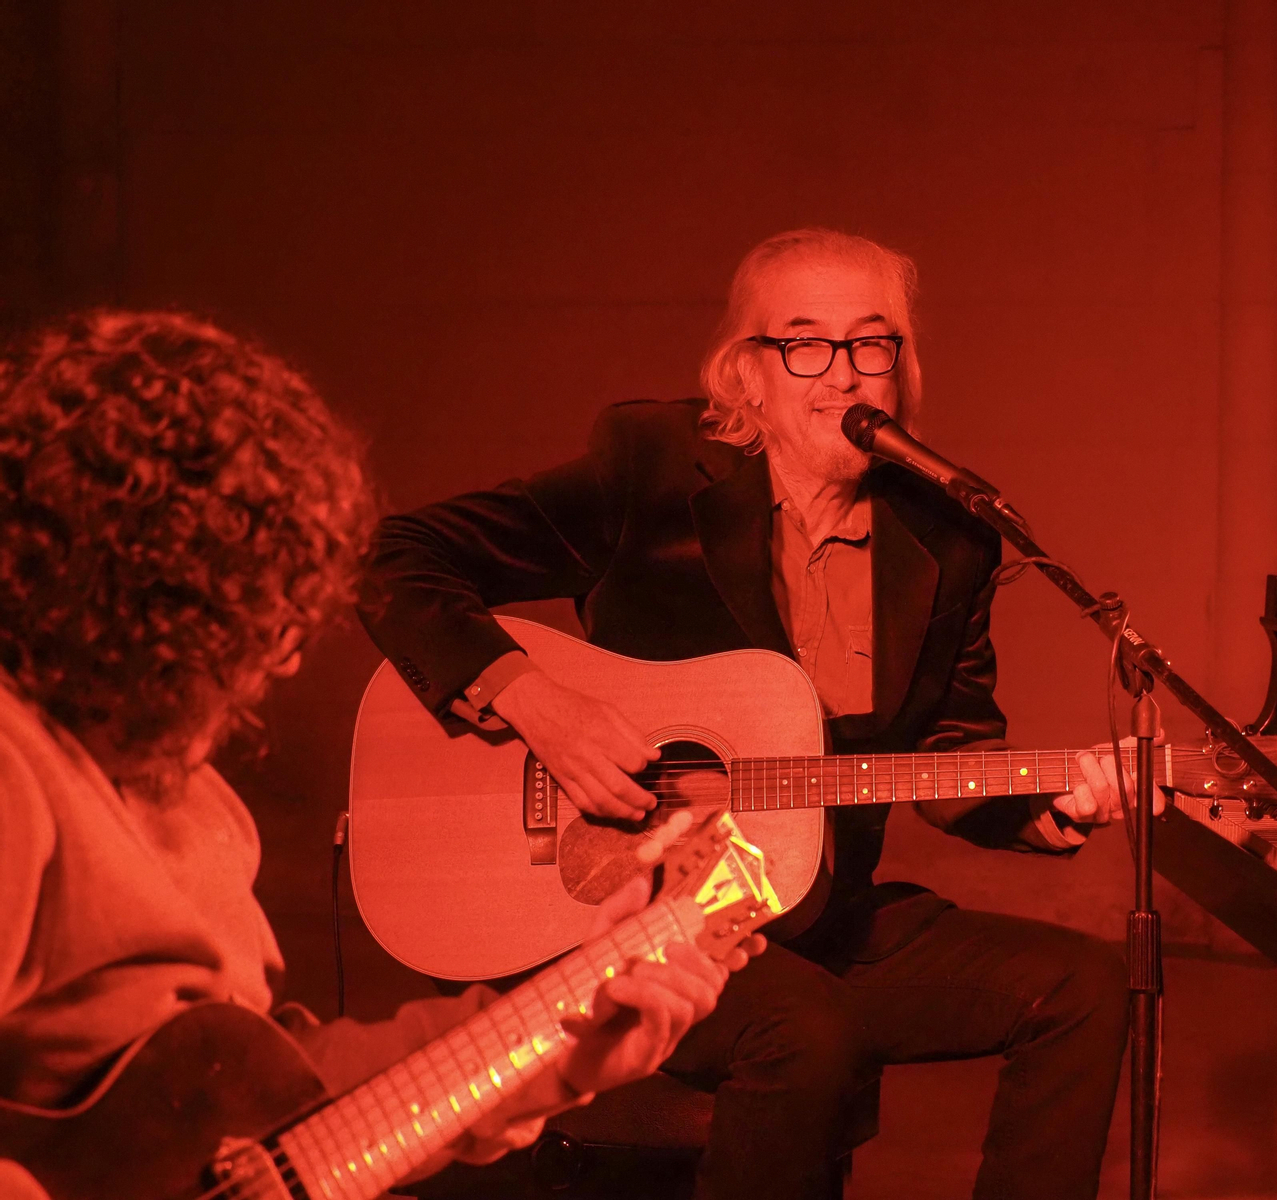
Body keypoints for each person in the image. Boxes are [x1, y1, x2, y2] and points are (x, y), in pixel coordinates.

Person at [359, 228, 1134, 1200]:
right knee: (805, 1032)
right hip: (617, 909)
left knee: (1084, 987)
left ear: (901, 368)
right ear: (746, 375)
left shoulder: (950, 537)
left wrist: (1045, 806)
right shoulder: (650, 473)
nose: (842, 374)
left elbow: (948, 751)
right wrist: (534, 699)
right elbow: (395, 557)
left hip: (812, 911)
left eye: (870, 343)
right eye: (804, 344)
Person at [0, 310, 759, 1182]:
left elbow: (278, 1112)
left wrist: (566, 1051)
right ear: (140, 596)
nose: (284, 657)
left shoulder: (192, 802)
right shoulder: (16, 770)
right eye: (251, 614)